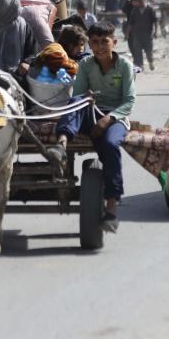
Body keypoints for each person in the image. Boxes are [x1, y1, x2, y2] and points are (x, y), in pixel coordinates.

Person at [48, 22, 135, 233]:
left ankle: (112, 207)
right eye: (95, 42)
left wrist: (107, 120)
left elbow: (129, 102)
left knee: (111, 144)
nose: (100, 47)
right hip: (90, 110)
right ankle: (61, 145)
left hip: (115, 118)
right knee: (75, 101)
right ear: (90, 45)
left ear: (114, 42)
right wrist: (87, 99)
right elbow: (78, 96)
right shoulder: (86, 64)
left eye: (105, 42)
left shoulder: (125, 65)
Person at [124, 0, 158, 71]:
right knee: (138, 52)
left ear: (144, 1)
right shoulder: (135, 10)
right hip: (137, 35)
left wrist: (155, 32)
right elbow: (130, 23)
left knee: (149, 52)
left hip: (148, 35)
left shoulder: (150, 10)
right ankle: (140, 66)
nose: (139, 3)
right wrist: (127, 33)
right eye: (138, 2)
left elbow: (155, 22)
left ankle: (151, 62)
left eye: (140, 2)